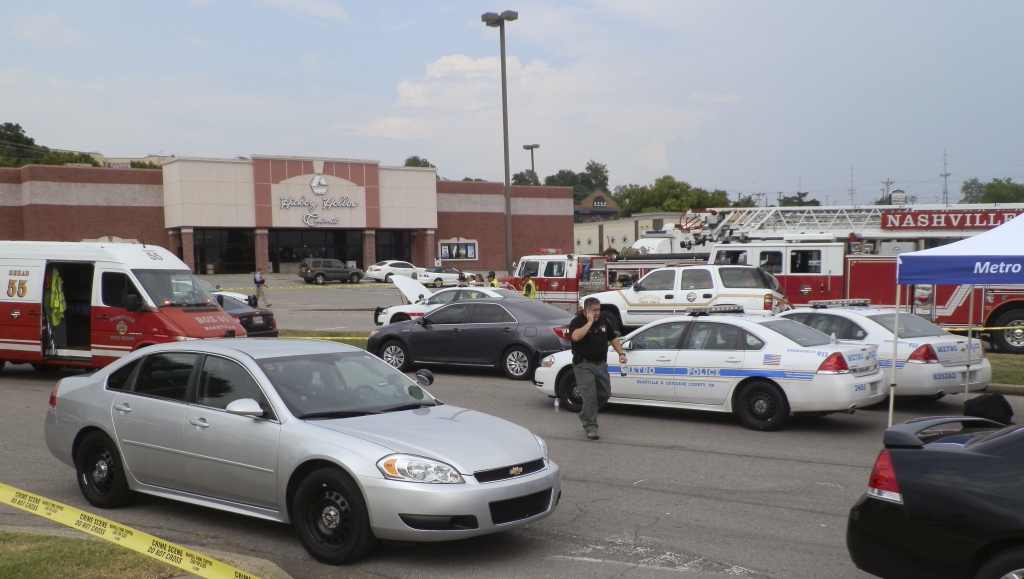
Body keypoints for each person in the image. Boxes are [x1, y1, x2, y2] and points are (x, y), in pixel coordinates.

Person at [569, 297, 626, 440]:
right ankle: (590, 427)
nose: (597, 313)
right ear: (587, 310)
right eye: (594, 310)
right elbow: (576, 337)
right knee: (589, 397)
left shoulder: (604, 321)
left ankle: (585, 414)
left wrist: (621, 353)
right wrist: (589, 322)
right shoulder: (577, 322)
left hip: (601, 364)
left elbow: (613, 338)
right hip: (584, 365)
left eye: (599, 309)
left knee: (605, 393)